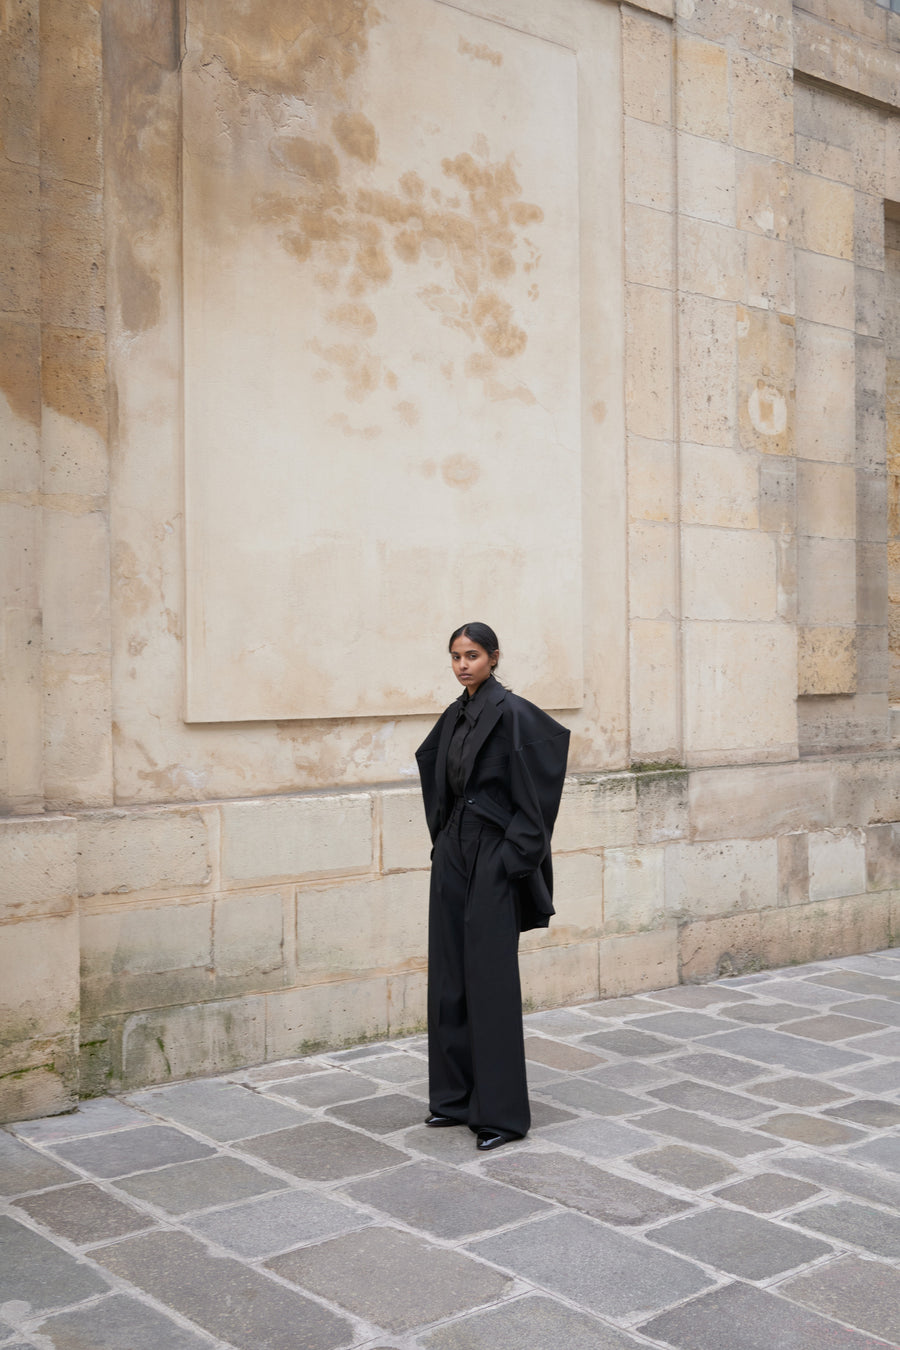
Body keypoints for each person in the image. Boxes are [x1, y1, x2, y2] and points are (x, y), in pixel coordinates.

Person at [415, 622, 570, 1151]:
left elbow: (543, 779)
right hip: (454, 851)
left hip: (492, 854)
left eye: (473, 655)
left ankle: (501, 1116)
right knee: (450, 975)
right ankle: (454, 1099)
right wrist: (443, 841)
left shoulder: (514, 713)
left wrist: (513, 857)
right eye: (456, 656)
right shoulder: (456, 712)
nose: (462, 664)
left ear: (495, 657)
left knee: (489, 979)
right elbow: (436, 767)